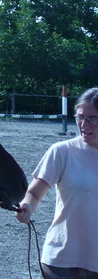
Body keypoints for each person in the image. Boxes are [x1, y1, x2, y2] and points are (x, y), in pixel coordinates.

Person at [15, 87, 98, 278]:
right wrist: (27, 205)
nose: (84, 124)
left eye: (93, 119)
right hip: (61, 261)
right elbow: (34, 192)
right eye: (80, 117)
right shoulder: (61, 151)